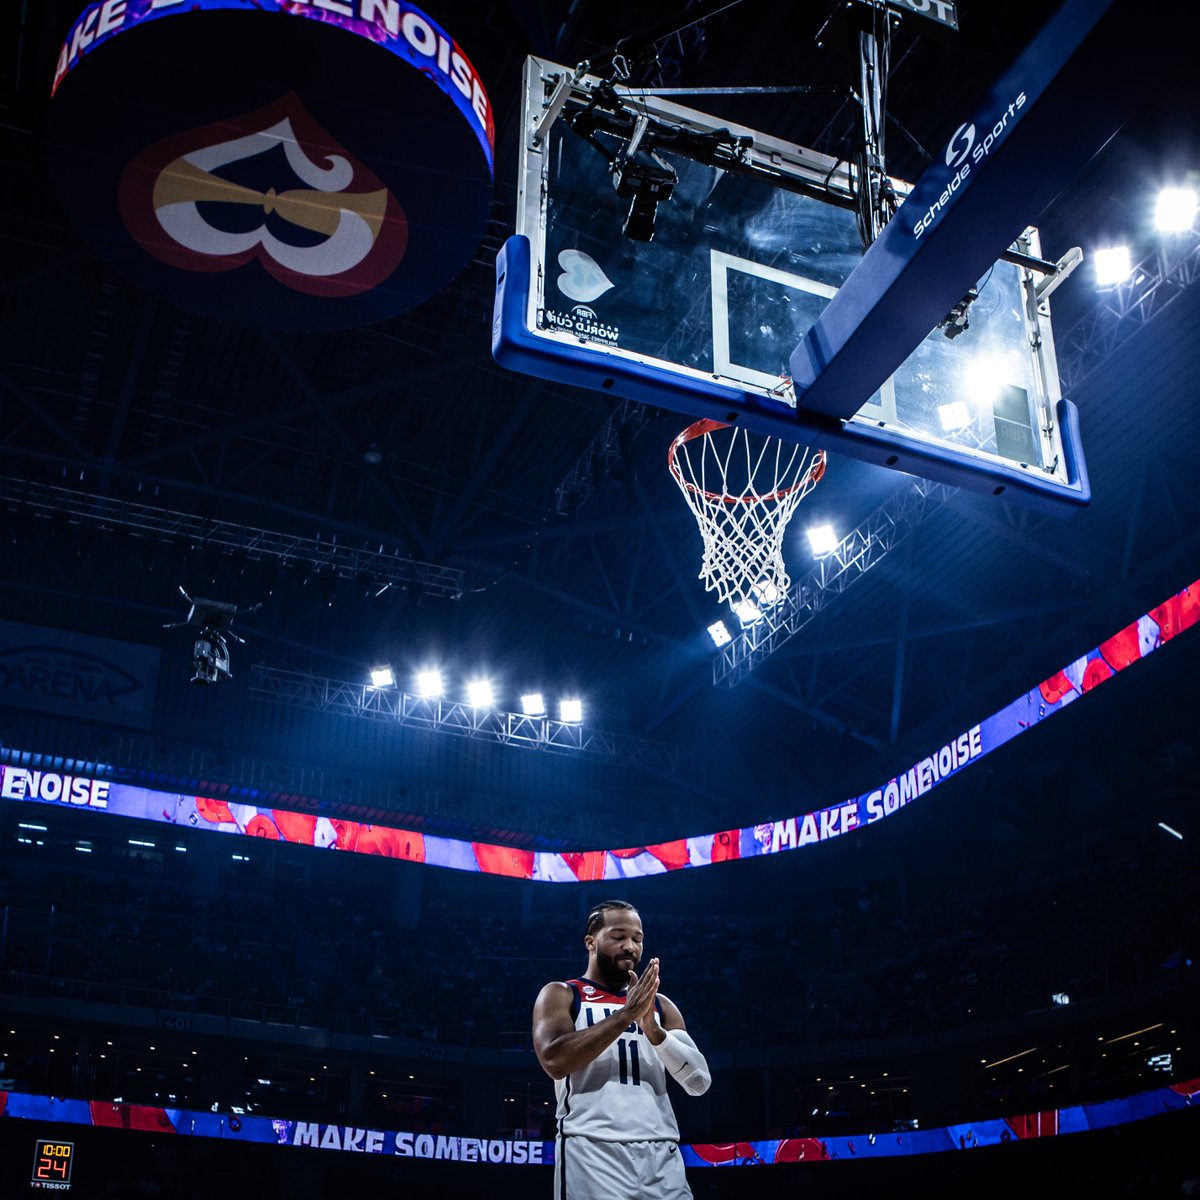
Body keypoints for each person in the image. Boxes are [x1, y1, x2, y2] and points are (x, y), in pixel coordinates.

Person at [532, 900, 711, 1199]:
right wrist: (625, 1016)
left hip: (662, 1153)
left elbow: (699, 1083)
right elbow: (554, 1061)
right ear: (591, 942)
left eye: (637, 939)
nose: (630, 946)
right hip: (591, 1150)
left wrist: (655, 1033)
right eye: (618, 937)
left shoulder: (660, 1006)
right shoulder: (562, 993)